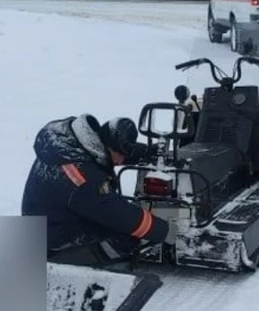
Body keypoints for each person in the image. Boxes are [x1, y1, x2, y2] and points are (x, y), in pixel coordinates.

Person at [21, 113, 169, 265]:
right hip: (53, 236)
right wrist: (162, 230)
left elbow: (106, 156)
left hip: (45, 219)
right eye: (120, 155)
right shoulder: (80, 178)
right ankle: (87, 263)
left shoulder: (71, 144)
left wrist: (143, 152)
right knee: (127, 235)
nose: (121, 161)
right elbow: (114, 211)